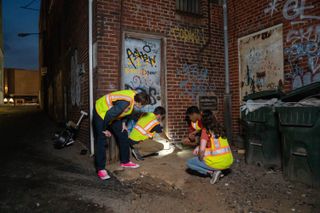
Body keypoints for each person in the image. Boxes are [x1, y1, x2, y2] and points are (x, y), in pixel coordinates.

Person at [93, 90, 150, 180]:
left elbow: (127, 112)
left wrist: (123, 123)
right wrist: (104, 129)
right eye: (143, 105)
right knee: (101, 138)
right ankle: (100, 169)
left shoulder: (134, 98)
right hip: (101, 111)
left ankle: (125, 161)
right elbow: (109, 115)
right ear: (139, 102)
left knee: (123, 133)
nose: (142, 107)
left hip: (112, 113)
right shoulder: (125, 103)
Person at [186, 110, 233, 184]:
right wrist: (199, 146)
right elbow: (213, 144)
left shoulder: (205, 131)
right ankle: (220, 171)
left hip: (216, 163)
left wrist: (200, 158)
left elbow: (202, 151)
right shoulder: (220, 129)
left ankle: (212, 173)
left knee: (189, 163)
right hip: (228, 161)